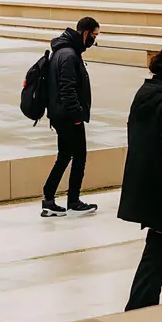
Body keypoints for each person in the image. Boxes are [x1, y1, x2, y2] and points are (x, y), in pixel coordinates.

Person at [119, 43, 162, 311]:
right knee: (158, 258)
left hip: (153, 198)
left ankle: (136, 318)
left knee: (155, 263)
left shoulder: (149, 91)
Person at [41, 17, 101, 218]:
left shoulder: (64, 51)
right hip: (68, 116)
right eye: (94, 35)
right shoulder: (68, 55)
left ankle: (50, 199)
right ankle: (72, 201)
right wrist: (76, 115)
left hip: (61, 115)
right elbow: (67, 89)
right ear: (85, 33)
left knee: (65, 156)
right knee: (79, 157)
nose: (94, 40)